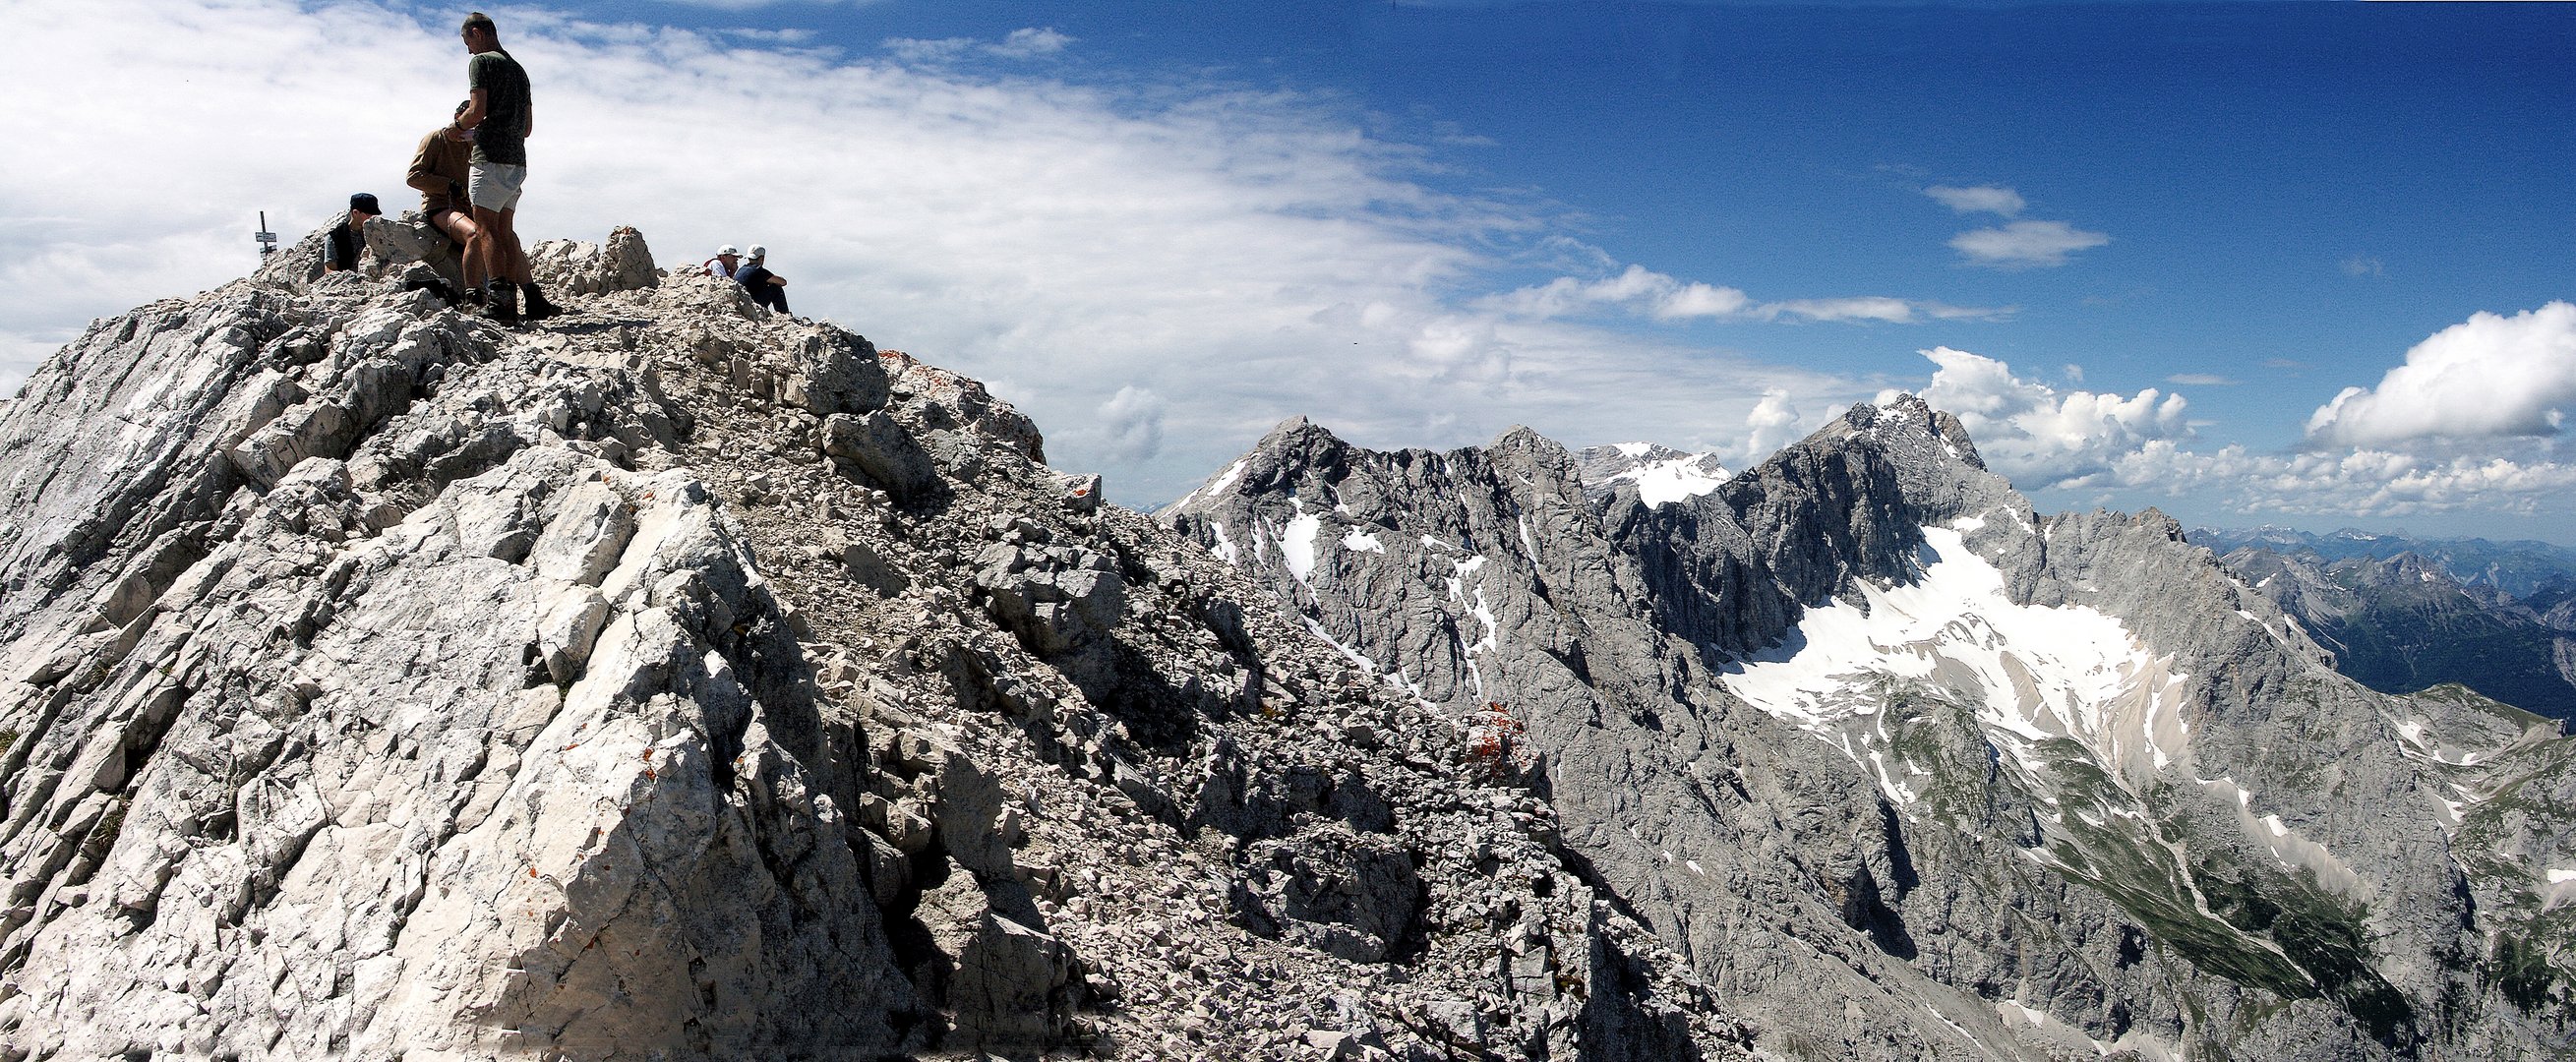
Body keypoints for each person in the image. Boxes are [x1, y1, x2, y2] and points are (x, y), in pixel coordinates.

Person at [450, 12, 561, 324]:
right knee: (504, 230)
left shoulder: (481, 63)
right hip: (517, 160)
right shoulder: (519, 71)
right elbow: (527, 128)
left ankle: (500, 303)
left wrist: (457, 126)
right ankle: (520, 299)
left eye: (467, 42)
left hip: (490, 156)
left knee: (485, 229)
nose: (468, 50)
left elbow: (477, 110)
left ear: (477, 33)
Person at [407, 101, 484, 296]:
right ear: (458, 118)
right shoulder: (436, 138)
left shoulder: (476, 147)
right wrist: (448, 185)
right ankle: (473, 295)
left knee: (505, 240)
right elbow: (414, 176)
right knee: (474, 234)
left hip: (469, 207)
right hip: (440, 205)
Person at [322, 193, 381, 273]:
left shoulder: (378, 234)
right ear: (355, 212)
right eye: (368, 214)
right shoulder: (335, 237)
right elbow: (330, 269)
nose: (372, 218)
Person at [736, 245, 789, 313]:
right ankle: (784, 314)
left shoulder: (742, 269)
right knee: (775, 288)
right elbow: (783, 282)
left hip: (740, 302)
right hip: (750, 305)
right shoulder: (758, 270)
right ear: (762, 258)